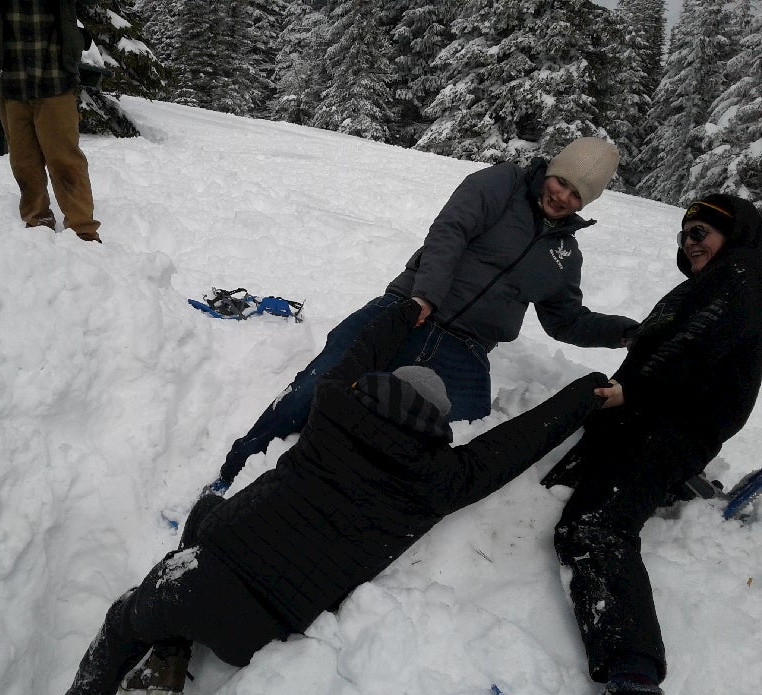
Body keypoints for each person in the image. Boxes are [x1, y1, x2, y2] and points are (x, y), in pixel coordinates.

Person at [55, 300, 610, 695]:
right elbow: (515, 444)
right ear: (435, 423)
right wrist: (587, 394)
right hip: (267, 629)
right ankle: (175, 648)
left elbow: (357, 353)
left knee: (136, 605)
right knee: (208, 535)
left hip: (206, 571)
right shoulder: (445, 479)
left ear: (384, 391)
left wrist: (404, 314)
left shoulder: (335, 409)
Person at [214, 136, 638, 490]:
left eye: (577, 194)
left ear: (588, 201)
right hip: (408, 308)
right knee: (321, 385)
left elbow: (566, 321)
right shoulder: (501, 184)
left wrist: (627, 333)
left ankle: (338, 499)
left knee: (455, 437)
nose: (562, 196)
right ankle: (234, 473)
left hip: (467, 348)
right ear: (551, 170)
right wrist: (426, 296)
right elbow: (449, 232)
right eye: (562, 181)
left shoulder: (565, 255)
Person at [544, 194, 762, 695]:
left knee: (597, 527)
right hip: (658, 420)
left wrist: (634, 390)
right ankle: (679, 484)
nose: (690, 242)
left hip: (672, 424)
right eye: (685, 233)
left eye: (703, 232)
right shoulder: (719, 281)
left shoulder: (745, 275)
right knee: (587, 496)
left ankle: (636, 691)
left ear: (734, 236)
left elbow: (693, 349)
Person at [0, 0, 102, 243]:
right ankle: (37, 221)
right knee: (23, 161)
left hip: (55, 79)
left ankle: (83, 231)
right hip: (11, 80)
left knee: (65, 160)